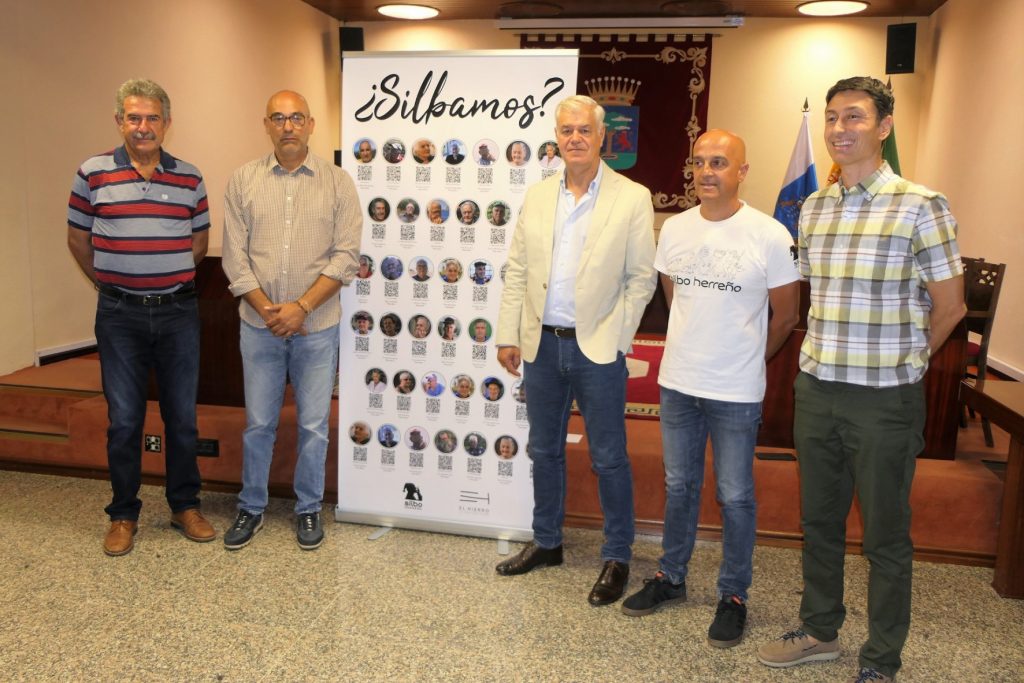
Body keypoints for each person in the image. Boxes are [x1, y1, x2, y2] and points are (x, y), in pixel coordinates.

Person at [756, 77, 965, 683]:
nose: (839, 129)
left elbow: (950, 307)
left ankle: (881, 658)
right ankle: (820, 629)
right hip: (818, 390)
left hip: (883, 400)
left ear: (884, 127)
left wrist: (908, 364)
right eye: (831, 117)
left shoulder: (921, 205)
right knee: (819, 522)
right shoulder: (814, 209)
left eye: (854, 117)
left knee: (884, 536)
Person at [619, 130, 800, 649]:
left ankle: (733, 595)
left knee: (735, 494)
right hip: (678, 383)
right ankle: (671, 576)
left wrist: (746, 358)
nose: (706, 172)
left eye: (719, 162)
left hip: (736, 390)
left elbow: (786, 315)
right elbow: (674, 296)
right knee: (679, 485)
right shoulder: (675, 229)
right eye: (699, 162)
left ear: (742, 171)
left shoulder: (769, 234)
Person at [494, 94, 657, 606]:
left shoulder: (632, 197)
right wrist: (509, 334)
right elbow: (518, 270)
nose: (575, 138)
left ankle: (617, 555)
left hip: (598, 350)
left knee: (608, 458)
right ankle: (547, 542)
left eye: (584, 130)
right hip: (541, 345)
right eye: (566, 130)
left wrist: (618, 338)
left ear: (602, 136)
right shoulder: (539, 195)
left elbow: (641, 278)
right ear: (557, 137)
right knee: (544, 450)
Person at [67, 78, 216, 556]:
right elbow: (78, 240)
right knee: (125, 420)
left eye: (152, 118)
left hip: (177, 313)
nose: (143, 126)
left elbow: (198, 244)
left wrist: (163, 275)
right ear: (119, 122)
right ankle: (123, 514)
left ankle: (184, 505)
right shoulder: (92, 173)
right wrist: (111, 282)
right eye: (134, 117)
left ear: (167, 123)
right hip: (119, 316)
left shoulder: (189, 177)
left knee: (182, 418)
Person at [221, 89, 361, 552]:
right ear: (266, 125)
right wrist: (270, 311)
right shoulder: (243, 180)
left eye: (297, 118)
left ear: (311, 125)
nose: (288, 126)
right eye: (278, 118)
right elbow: (235, 260)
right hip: (258, 326)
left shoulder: (338, 182)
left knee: (314, 426)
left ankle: (308, 508)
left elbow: (346, 256)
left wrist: (301, 307)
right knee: (259, 423)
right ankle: (251, 505)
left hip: (316, 327)